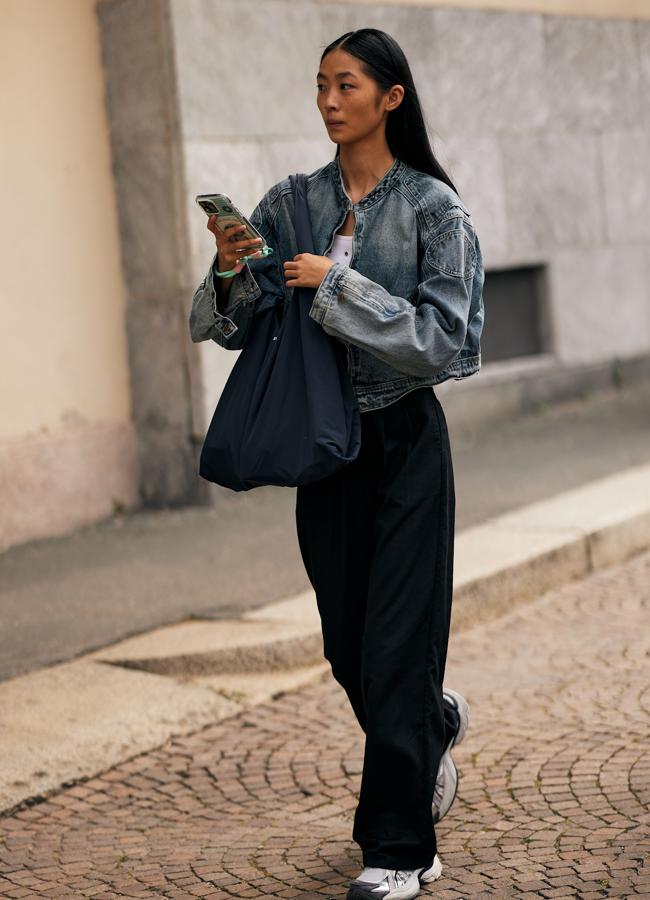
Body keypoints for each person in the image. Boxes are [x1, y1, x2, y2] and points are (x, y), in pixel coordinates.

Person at [189, 27, 484, 900]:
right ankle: (431, 723)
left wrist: (341, 287)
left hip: (403, 446)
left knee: (395, 649)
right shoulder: (291, 201)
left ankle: (400, 848)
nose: (328, 100)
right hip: (323, 449)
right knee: (349, 644)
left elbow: (453, 342)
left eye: (346, 85)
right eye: (320, 84)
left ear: (390, 97)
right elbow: (232, 326)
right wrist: (232, 266)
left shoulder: (433, 208)